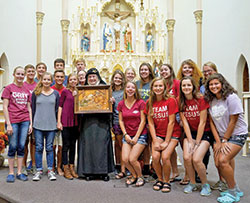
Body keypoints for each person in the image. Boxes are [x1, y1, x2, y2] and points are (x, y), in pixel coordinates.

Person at [205, 73, 248, 203]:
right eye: (211, 84)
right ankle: (236, 188)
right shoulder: (211, 99)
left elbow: (233, 121)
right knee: (218, 162)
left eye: (216, 83)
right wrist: (218, 141)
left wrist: (225, 140)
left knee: (223, 160)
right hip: (222, 136)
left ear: (222, 84)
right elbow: (211, 121)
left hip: (237, 134)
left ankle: (232, 191)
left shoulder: (231, 97)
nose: (214, 86)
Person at [77, 68, 114, 181]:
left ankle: (103, 172)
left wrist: (111, 101)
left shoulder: (105, 89)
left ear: (98, 77)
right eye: (90, 77)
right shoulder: (83, 91)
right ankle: (88, 172)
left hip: (102, 122)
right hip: (87, 122)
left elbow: (109, 106)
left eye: (94, 77)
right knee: (88, 146)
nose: (92, 79)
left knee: (102, 146)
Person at [145, 78, 181, 192]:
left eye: (160, 86)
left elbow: (171, 122)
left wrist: (166, 141)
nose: (158, 88)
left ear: (165, 87)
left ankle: (167, 181)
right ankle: (160, 179)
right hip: (159, 134)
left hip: (172, 134)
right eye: (155, 86)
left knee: (165, 157)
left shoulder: (171, 100)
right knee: (155, 157)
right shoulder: (149, 102)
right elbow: (150, 123)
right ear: (152, 88)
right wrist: (155, 140)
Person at [179, 76, 212, 196]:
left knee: (196, 159)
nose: (186, 87)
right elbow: (185, 124)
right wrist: (190, 141)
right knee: (187, 157)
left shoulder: (201, 99)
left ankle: (205, 184)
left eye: (188, 85)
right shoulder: (181, 101)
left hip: (204, 133)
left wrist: (197, 142)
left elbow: (203, 122)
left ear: (193, 86)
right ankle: (192, 183)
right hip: (190, 133)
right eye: (184, 85)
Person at [2, 66, 32, 182]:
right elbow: (5, 106)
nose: (20, 76)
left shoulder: (26, 90)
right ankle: (11, 172)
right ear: (14, 75)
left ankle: (19, 172)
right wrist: (8, 124)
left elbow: (29, 107)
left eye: (22, 74)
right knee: (13, 146)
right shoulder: (8, 88)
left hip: (25, 120)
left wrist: (30, 123)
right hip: (13, 121)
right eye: (18, 74)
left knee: (21, 146)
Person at [118, 81, 147, 187]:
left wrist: (136, 137)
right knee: (125, 160)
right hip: (127, 135)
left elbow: (143, 121)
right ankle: (134, 175)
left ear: (135, 90)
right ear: (125, 89)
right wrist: (125, 134)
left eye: (132, 87)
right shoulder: (121, 103)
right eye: (128, 87)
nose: (130, 89)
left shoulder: (140, 103)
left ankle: (140, 176)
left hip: (140, 135)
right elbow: (121, 121)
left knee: (132, 159)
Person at [32, 72, 59, 181]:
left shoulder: (56, 94)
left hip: (51, 125)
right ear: (41, 80)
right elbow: (33, 108)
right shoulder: (36, 93)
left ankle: (50, 170)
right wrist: (32, 123)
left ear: (51, 81)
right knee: (38, 148)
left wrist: (57, 122)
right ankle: (38, 170)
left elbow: (57, 109)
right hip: (38, 124)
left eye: (49, 80)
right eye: (45, 79)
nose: (47, 81)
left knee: (49, 148)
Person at [159, 64, 181, 182]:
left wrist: (170, 99)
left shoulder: (176, 83)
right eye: (162, 70)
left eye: (165, 70)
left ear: (170, 71)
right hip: (164, 116)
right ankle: (175, 171)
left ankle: (184, 173)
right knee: (171, 149)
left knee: (177, 145)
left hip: (176, 115)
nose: (163, 72)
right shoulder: (162, 83)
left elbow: (179, 98)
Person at [57, 74, 79, 180]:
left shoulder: (80, 92)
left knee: (73, 146)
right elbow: (60, 106)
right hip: (66, 121)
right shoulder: (65, 92)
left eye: (75, 79)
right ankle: (65, 168)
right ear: (68, 81)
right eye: (71, 79)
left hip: (75, 122)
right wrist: (59, 121)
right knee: (65, 146)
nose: (73, 81)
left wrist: (77, 96)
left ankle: (72, 167)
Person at [136, 62, 155, 176]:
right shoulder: (137, 84)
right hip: (140, 116)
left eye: (146, 70)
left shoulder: (154, 83)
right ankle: (146, 165)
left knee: (153, 142)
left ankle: (155, 165)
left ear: (150, 71)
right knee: (145, 142)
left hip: (152, 115)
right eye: (142, 70)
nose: (144, 72)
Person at [110, 70, 126, 179]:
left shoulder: (125, 91)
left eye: (120, 78)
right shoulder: (110, 92)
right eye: (116, 78)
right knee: (117, 145)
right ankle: (118, 164)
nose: (118, 80)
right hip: (114, 120)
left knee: (123, 145)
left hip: (125, 121)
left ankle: (124, 167)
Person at [22, 64, 37, 176]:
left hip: (36, 117)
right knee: (24, 143)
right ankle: (23, 165)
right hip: (24, 116)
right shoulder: (22, 85)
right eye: (29, 71)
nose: (31, 73)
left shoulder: (38, 86)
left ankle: (33, 165)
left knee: (34, 143)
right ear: (26, 73)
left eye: (33, 71)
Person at [51, 69, 66, 176]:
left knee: (60, 147)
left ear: (64, 78)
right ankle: (52, 166)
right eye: (57, 77)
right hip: (51, 121)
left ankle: (59, 167)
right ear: (54, 78)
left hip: (63, 122)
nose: (59, 79)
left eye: (61, 77)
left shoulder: (66, 90)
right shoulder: (50, 90)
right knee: (52, 146)